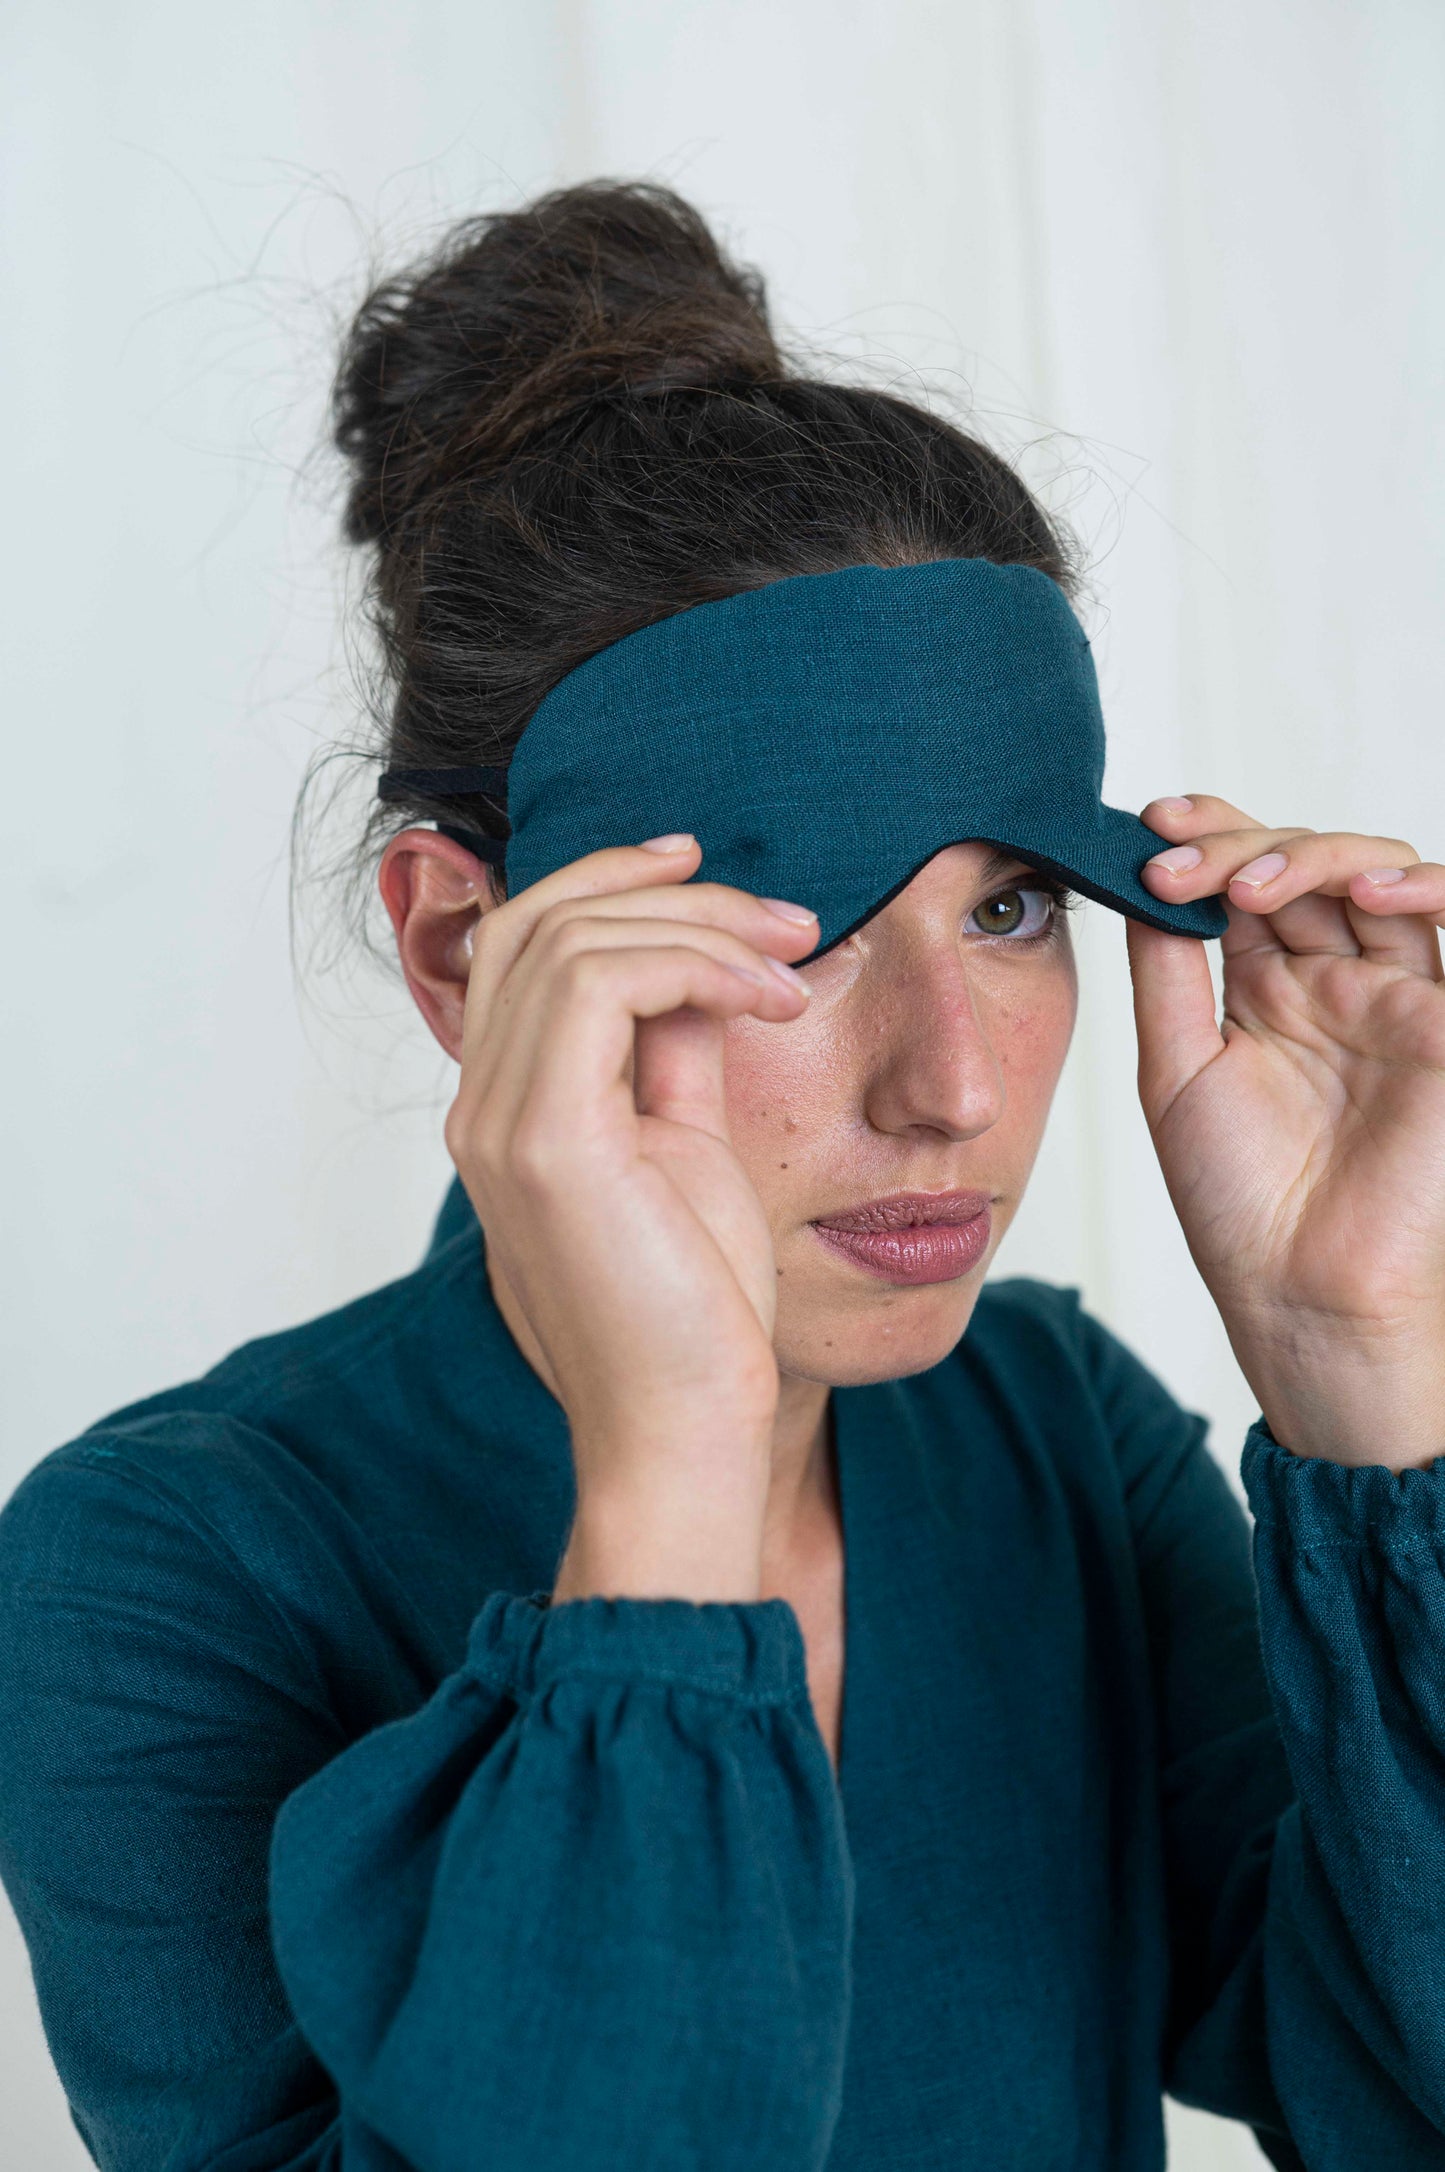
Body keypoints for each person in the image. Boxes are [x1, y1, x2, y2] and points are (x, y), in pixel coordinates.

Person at [2, 179, 1444, 2172]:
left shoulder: (1056, 1444)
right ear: (462, 948)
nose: (955, 1090)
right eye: (807, 926)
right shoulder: (160, 1572)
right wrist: (670, 1481)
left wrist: (1362, 1363)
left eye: (1015, 907)